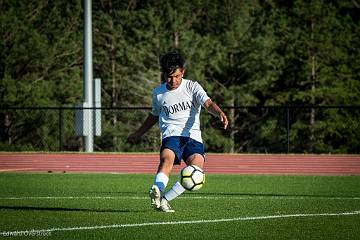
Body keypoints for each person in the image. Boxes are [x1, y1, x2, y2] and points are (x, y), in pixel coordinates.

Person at [127, 51, 228, 212]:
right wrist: (139, 133)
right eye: (169, 77)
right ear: (164, 74)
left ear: (183, 72)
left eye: (177, 76)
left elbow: (208, 104)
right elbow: (154, 115)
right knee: (167, 159)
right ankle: (157, 190)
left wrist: (219, 113)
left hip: (193, 137)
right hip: (171, 135)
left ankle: (164, 200)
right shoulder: (158, 93)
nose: (173, 80)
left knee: (196, 171)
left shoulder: (192, 86)